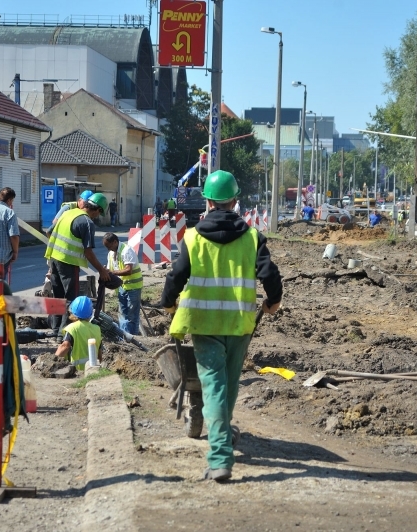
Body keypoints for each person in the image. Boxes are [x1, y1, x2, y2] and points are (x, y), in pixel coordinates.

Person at [160, 170, 283, 483]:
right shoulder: (252, 237)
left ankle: (219, 459)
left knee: (214, 385)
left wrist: (169, 303)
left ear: (209, 201)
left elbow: (176, 276)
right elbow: (270, 275)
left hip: (204, 325)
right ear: (235, 201)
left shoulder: (193, 236)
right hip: (239, 325)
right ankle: (222, 442)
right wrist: (272, 303)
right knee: (227, 386)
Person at [45, 192, 113, 334]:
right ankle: (65, 334)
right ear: (97, 210)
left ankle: (55, 329)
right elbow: (88, 253)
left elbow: (49, 232)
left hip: (54, 259)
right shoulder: (87, 223)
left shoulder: (68, 213)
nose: (96, 217)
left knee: (57, 296)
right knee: (71, 299)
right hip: (69, 263)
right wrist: (101, 270)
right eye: (98, 213)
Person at [102, 232, 142, 335]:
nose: (108, 249)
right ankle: (124, 336)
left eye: (109, 246)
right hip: (121, 287)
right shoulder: (111, 253)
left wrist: (112, 272)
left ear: (115, 242)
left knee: (132, 315)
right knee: (123, 314)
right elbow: (111, 268)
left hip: (133, 287)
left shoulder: (126, 250)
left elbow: (129, 270)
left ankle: (132, 337)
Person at [54, 296, 102, 369]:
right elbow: (99, 352)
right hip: (92, 369)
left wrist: (54, 361)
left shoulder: (73, 328)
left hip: (77, 370)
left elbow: (65, 346)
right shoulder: (96, 329)